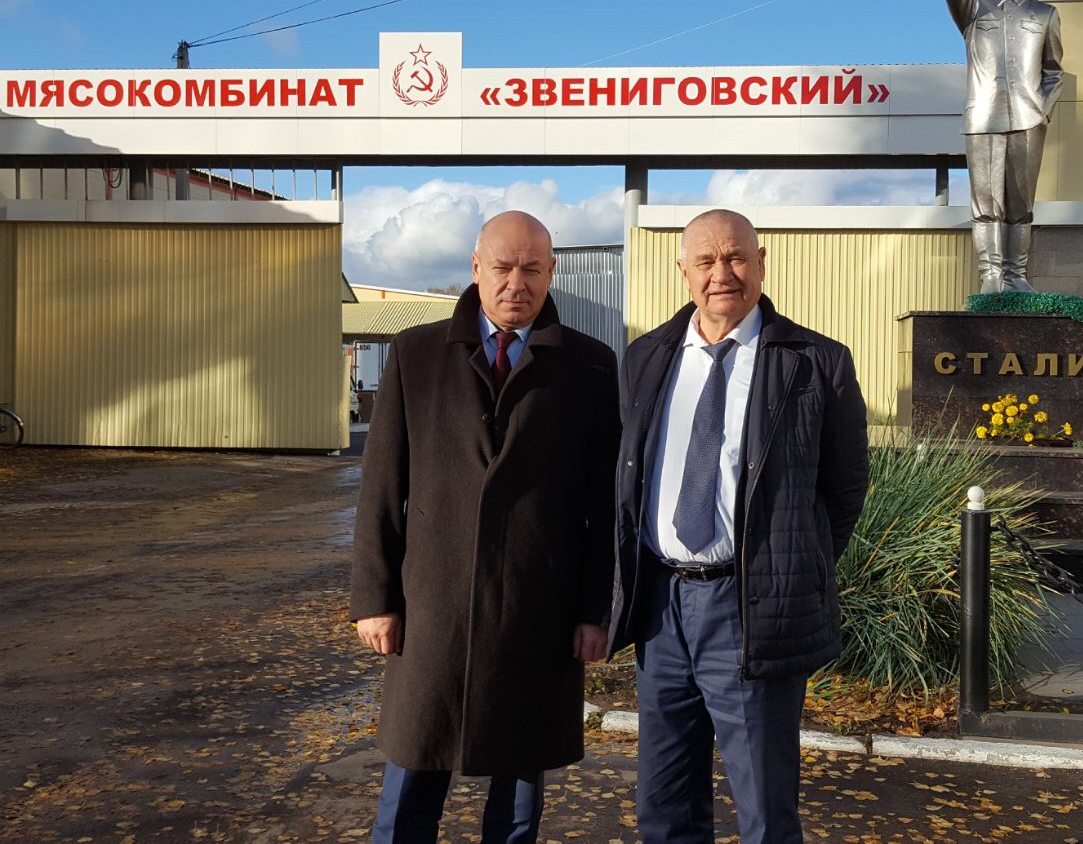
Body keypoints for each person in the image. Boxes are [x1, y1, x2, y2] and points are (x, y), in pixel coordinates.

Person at [350, 210, 619, 844]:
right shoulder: (415, 355)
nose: (515, 283)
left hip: (536, 610)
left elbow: (603, 504)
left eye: (532, 269)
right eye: (502, 267)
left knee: (518, 798)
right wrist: (375, 599)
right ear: (476, 268)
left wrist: (593, 611)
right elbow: (383, 488)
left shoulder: (589, 366)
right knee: (411, 781)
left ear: (551, 272)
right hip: (432, 610)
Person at [609, 209, 870, 844]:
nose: (721, 273)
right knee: (664, 804)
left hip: (751, 608)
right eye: (705, 261)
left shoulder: (816, 362)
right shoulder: (647, 357)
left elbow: (844, 491)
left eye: (735, 258)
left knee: (764, 811)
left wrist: (786, 569)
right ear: (683, 270)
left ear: (760, 263)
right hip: (661, 608)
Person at [941, 0, 1064, 293]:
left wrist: (1042, 109)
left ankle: (1016, 276)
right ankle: (991, 276)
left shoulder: (1045, 14)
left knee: (1019, 205)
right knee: (986, 205)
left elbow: (1054, 70)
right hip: (983, 119)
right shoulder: (973, 9)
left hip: (1028, 119)